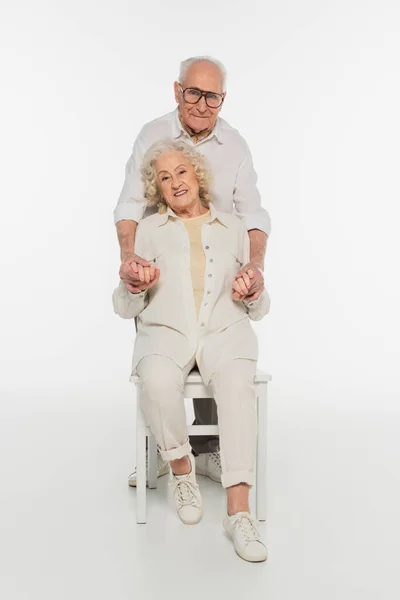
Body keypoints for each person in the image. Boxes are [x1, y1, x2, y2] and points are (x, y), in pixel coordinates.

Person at [114, 55, 271, 486]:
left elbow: (253, 213)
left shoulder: (235, 146)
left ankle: (207, 450)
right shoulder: (152, 134)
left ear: (224, 99)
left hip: (219, 271)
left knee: (220, 356)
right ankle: (161, 452)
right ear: (177, 91)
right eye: (193, 93)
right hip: (159, 269)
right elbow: (129, 203)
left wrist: (254, 267)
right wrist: (131, 258)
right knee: (160, 367)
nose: (202, 104)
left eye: (213, 97)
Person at [113, 141, 270, 562]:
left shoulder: (234, 228)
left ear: (197, 175)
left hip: (226, 331)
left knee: (238, 388)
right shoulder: (148, 231)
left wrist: (252, 289)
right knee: (158, 380)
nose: (174, 182)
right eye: (164, 178)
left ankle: (239, 514)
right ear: (158, 190)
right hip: (165, 332)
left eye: (180, 172)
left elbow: (260, 308)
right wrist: (133, 284)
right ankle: (182, 469)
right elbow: (123, 306)